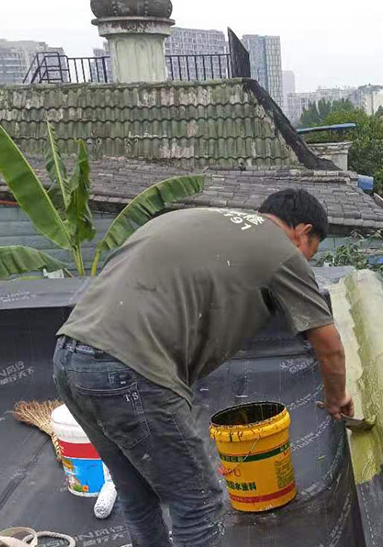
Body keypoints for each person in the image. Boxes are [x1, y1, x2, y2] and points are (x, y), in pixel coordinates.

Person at [53, 188, 354, 547]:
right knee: (198, 501)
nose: (305, 260)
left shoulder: (200, 220)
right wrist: (337, 399)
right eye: (311, 250)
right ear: (303, 232)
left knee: (137, 496)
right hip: (130, 370)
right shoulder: (281, 251)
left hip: (69, 360)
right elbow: (329, 345)